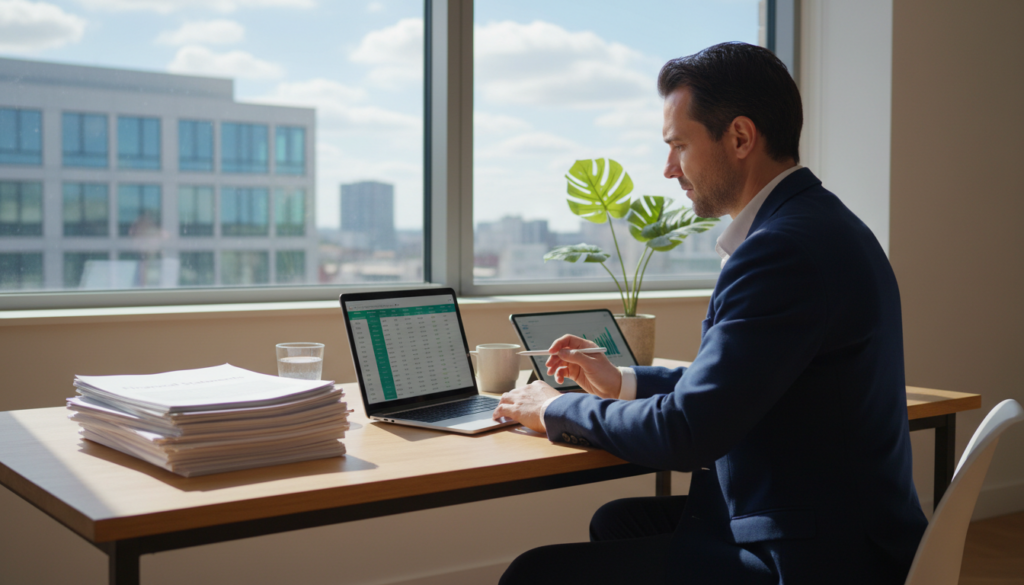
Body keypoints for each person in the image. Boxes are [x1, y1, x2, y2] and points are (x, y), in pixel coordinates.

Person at [493, 42, 928, 585]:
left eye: (679, 145)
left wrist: (557, 408)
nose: (670, 169)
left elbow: (688, 430)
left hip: (815, 557)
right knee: (619, 520)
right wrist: (621, 380)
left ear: (741, 137)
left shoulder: (784, 250)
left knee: (534, 574)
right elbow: (740, 379)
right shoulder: (817, 223)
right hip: (834, 518)